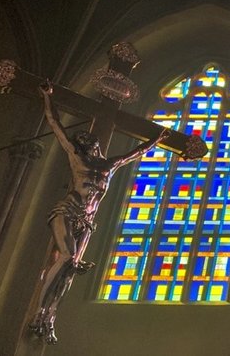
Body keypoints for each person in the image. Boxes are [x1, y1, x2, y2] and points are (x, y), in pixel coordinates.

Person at [29, 81, 170, 344]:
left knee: (71, 268)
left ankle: (50, 316)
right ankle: (39, 310)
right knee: (67, 257)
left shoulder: (108, 165)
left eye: (89, 141)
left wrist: (157, 139)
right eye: (82, 141)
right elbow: (57, 126)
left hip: (88, 220)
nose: (86, 143)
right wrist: (48, 98)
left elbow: (134, 154)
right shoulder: (77, 159)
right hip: (69, 210)